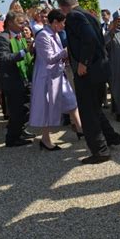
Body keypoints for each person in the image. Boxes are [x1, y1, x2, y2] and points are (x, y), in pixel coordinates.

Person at [57, 0, 120, 164]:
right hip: (100, 69)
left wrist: (83, 62)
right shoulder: (89, 14)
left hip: (88, 72)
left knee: (87, 112)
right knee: (94, 108)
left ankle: (100, 151)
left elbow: (90, 39)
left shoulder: (72, 16)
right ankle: (111, 137)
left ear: (62, 7)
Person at [29, 9, 83, 151]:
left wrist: (64, 57)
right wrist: (66, 51)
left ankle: (80, 128)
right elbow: (49, 59)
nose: (64, 26)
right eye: (62, 23)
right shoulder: (43, 36)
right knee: (46, 107)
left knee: (71, 100)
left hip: (57, 74)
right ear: (54, 22)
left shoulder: (55, 34)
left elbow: (57, 56)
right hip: (46, 77)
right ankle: (45, 140)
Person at [0, 11, 34, 147]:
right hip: (12, 80)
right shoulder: (2, 38)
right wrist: (24, 52)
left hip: (24, 78)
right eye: (20, 23)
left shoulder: (20, 36)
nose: (24, 26)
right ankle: (12, 138)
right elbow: (3, 58)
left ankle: (19, 130)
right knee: (17, 110)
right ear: (10, 23)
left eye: (24, 23)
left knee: (28, 107)